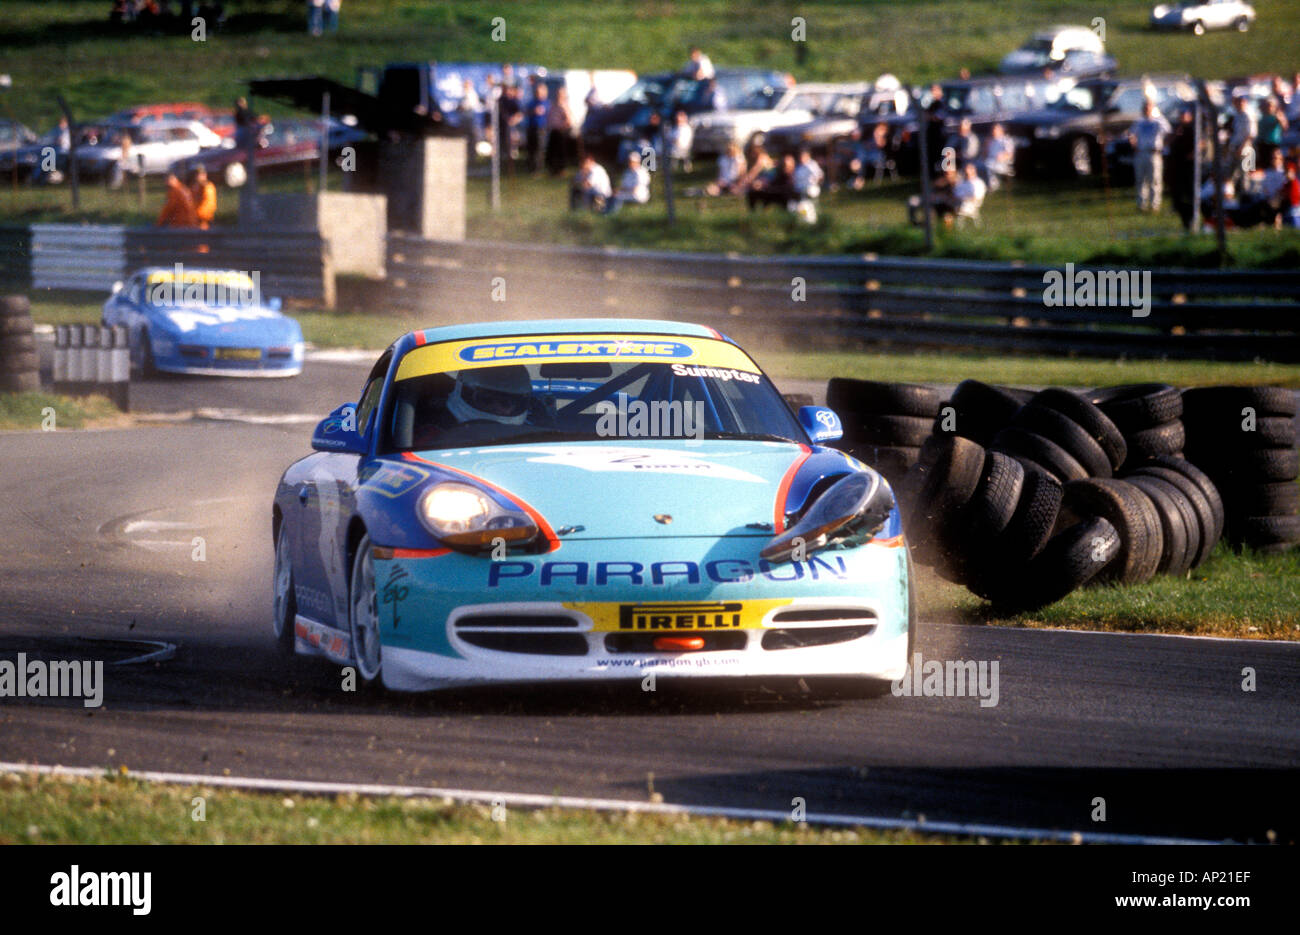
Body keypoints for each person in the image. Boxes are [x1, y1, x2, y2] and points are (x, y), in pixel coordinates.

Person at [1129, 99, 1171, 212]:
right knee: (1141, 179)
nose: (1147, 109)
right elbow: (1131, 134)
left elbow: (1169, 133)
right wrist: (1134, 144)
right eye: (1145, 107)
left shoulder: (1159, 121)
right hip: (1141, 153)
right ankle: (1141, 204)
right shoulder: (1139, 121)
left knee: (1155, 180)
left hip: (1153, 153)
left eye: (1149, 107)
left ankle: (1155, 204)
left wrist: (1163, 146)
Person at [545, 85, 575, 176]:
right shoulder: (553, 105)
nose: (558, 95)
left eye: (561, 94)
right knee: (552, 151)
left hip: (561, 132)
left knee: (561, 152)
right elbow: (550, 117)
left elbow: (569, 120)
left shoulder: (564, 106)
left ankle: (561, 170)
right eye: (558, 94)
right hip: (553, 131)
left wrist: (563, 126)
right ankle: (552, 169)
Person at [525, 81, 549, 174]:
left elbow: (546, 112)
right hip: (531, 127)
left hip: (541, 128)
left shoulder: (547, 103)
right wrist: (533, 111)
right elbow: (526, 111)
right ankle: (531, 167)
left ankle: (538, 168)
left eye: (540, 92)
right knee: (531, 148)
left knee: (539, 148)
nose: (538, 94)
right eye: (537, 92)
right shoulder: (532, 102)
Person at [982, 122, 1015, 190]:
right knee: (978, 165)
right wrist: (986, 146)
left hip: (1003, 163)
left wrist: (1003, 156)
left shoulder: (1006, 140)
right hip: (990, 161)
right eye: (993, 129)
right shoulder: (990, 140)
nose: (993, 131)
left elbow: (1010, 155)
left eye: (995, 129)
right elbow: (985, 154)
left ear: (1001, 130)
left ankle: (993, 186)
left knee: (988, 166)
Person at [1256, 98, 1287, 167]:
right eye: (1267, 105)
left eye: (1271, 106)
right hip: (1262, 143)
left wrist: (1280, 119)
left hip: (1273, 143)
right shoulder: (1262, 116)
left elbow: (1285, 127)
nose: (1269, 107)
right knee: (1263, 163)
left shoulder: (1277, 116)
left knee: (1273, 162)